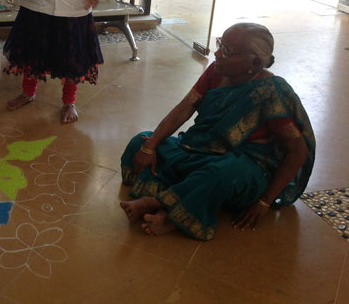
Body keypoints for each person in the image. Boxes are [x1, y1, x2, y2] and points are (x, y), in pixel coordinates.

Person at [119, 23, 315, 240]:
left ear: (255, 62)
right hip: (199, 151)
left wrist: (264, 202)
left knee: (220, 174)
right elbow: (185, 108)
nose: (217, 53)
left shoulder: (271, 93)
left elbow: (299, 151)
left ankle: (161, 207)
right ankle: (185, 196)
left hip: (243, 167)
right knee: (142, 140)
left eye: (228, 51)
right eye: (220, 44)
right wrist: (151, 145)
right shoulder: (215, 71)